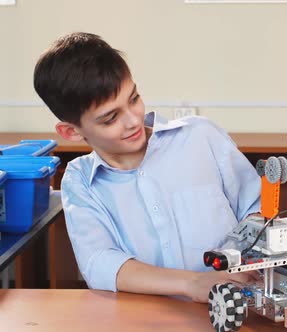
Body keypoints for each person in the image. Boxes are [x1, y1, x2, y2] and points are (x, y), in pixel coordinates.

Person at [33, 32, 261, 302]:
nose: (133, 121)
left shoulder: (201, 137)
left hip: (238, 307)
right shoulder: (80, 181)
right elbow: (100, 263)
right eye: (110, 118)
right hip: (149, 319)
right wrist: (193, 283)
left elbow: (257, 209)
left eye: (134, 99)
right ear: (71, 132)